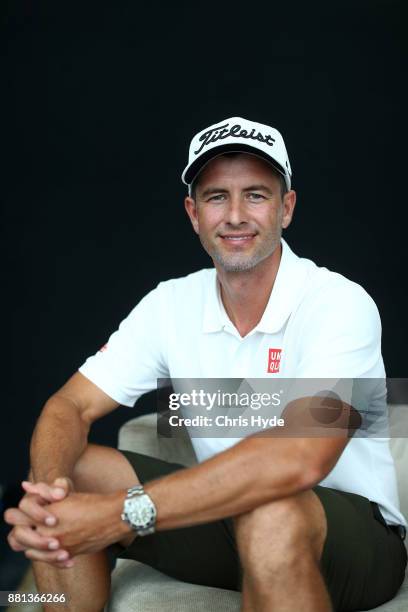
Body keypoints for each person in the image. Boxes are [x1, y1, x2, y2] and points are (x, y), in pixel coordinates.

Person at [4, 117, 407, 612]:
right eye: (217, 197)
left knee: (272, 510)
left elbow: (301, 459)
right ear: (194, 213)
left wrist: (122, 514)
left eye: (256, 195)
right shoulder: (170, 303)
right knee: (68, 472)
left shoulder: (340, 303)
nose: (235, 215)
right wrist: (48, 494)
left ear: (287, 208)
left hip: (355, 536)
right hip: (231, 517)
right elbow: (68, 405)